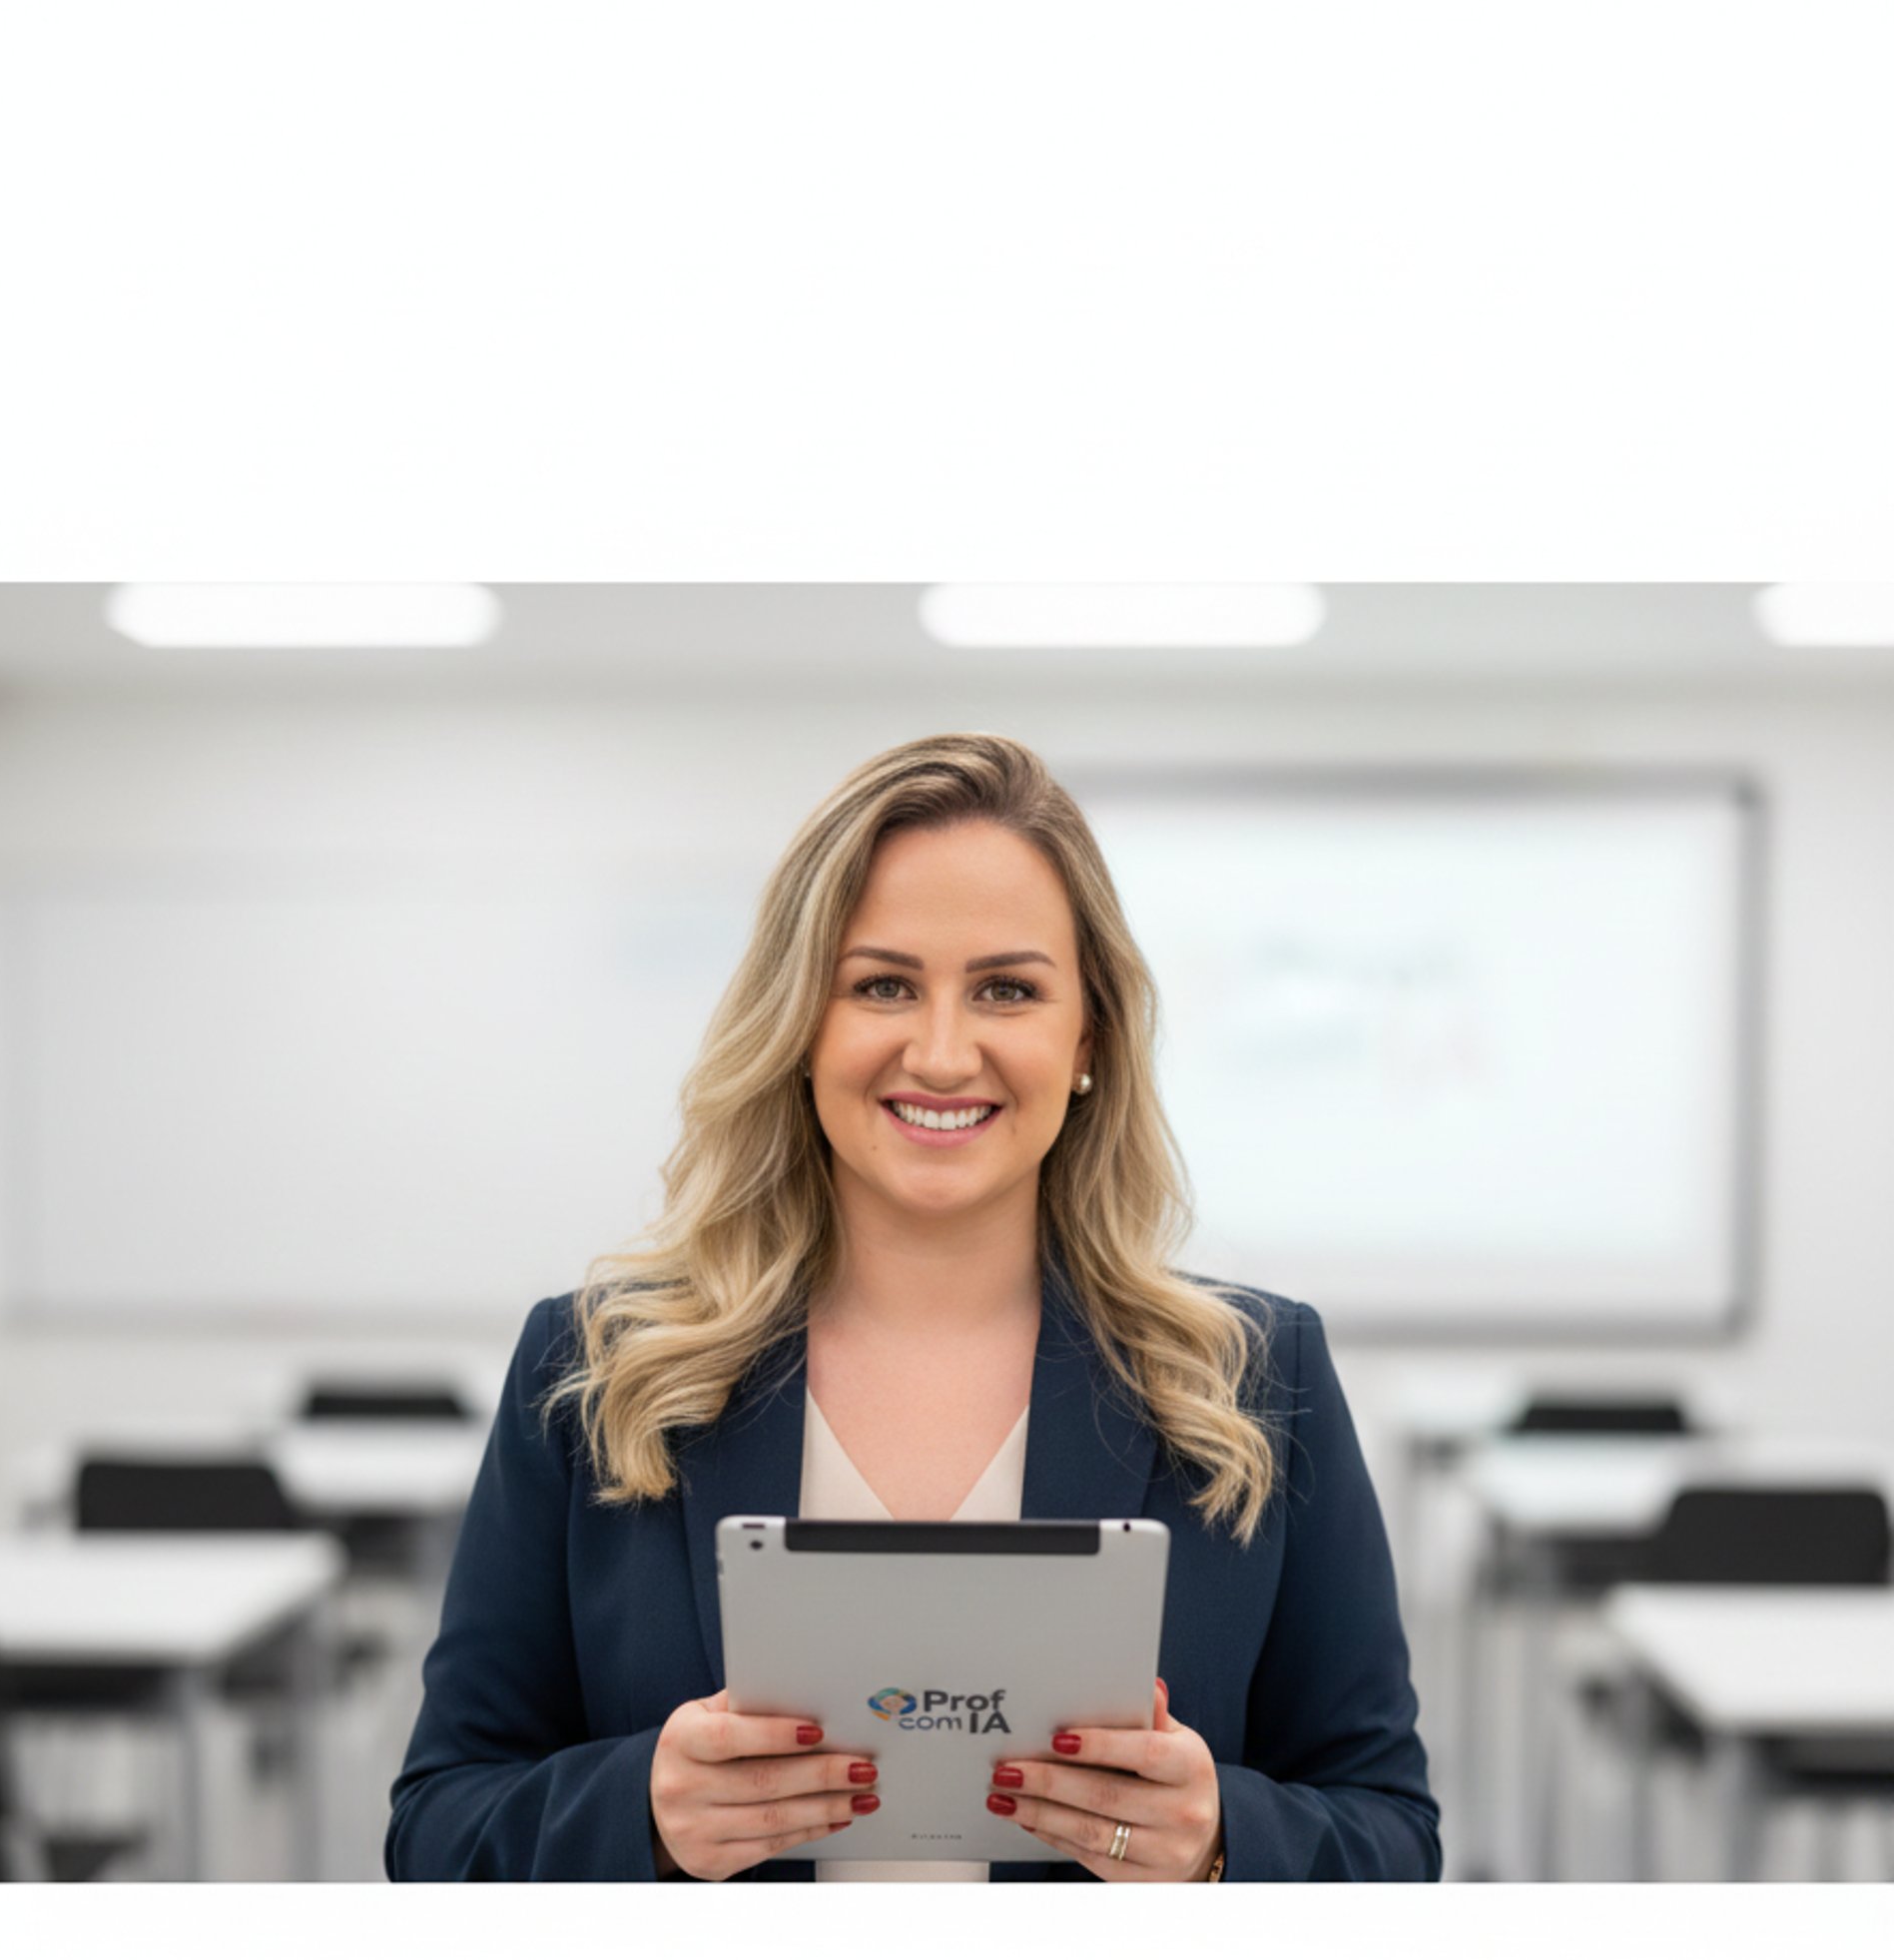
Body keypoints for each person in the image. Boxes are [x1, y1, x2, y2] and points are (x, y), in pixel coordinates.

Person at [386, 733, 1440, 1882]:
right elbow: (438, 1826)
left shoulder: (1258, 1379)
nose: (943, 1052)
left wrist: (1221, 1842)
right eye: (882, 983)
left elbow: (1391, 1833)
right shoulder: (593, 1370)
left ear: (1086, 1034)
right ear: (802, 1024)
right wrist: (638, 1810)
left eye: (1008, 988)